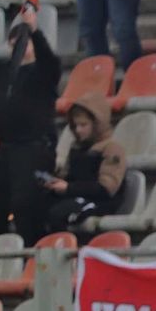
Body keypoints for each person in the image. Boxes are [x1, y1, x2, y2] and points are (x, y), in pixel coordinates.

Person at [0, 8, 60, 244]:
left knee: (25, 204)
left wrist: (34, 30)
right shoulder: (1, 71)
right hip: (6, 148)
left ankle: (30, 252)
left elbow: (50, 60)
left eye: (25, 43)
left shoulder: (42, 73)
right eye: (16, 43)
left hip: (34, 148)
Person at [42, 94, 127, 234]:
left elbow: (106, 189)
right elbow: (70, 177)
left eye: (83, 125)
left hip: (100, 202)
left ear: (97, 124)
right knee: (36, 206)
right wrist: (56, 182)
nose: (78, 130)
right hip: (76, 195)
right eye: (75, 126)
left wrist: (68, 188)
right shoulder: (77, 147)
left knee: (58, 214)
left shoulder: (111, 148)